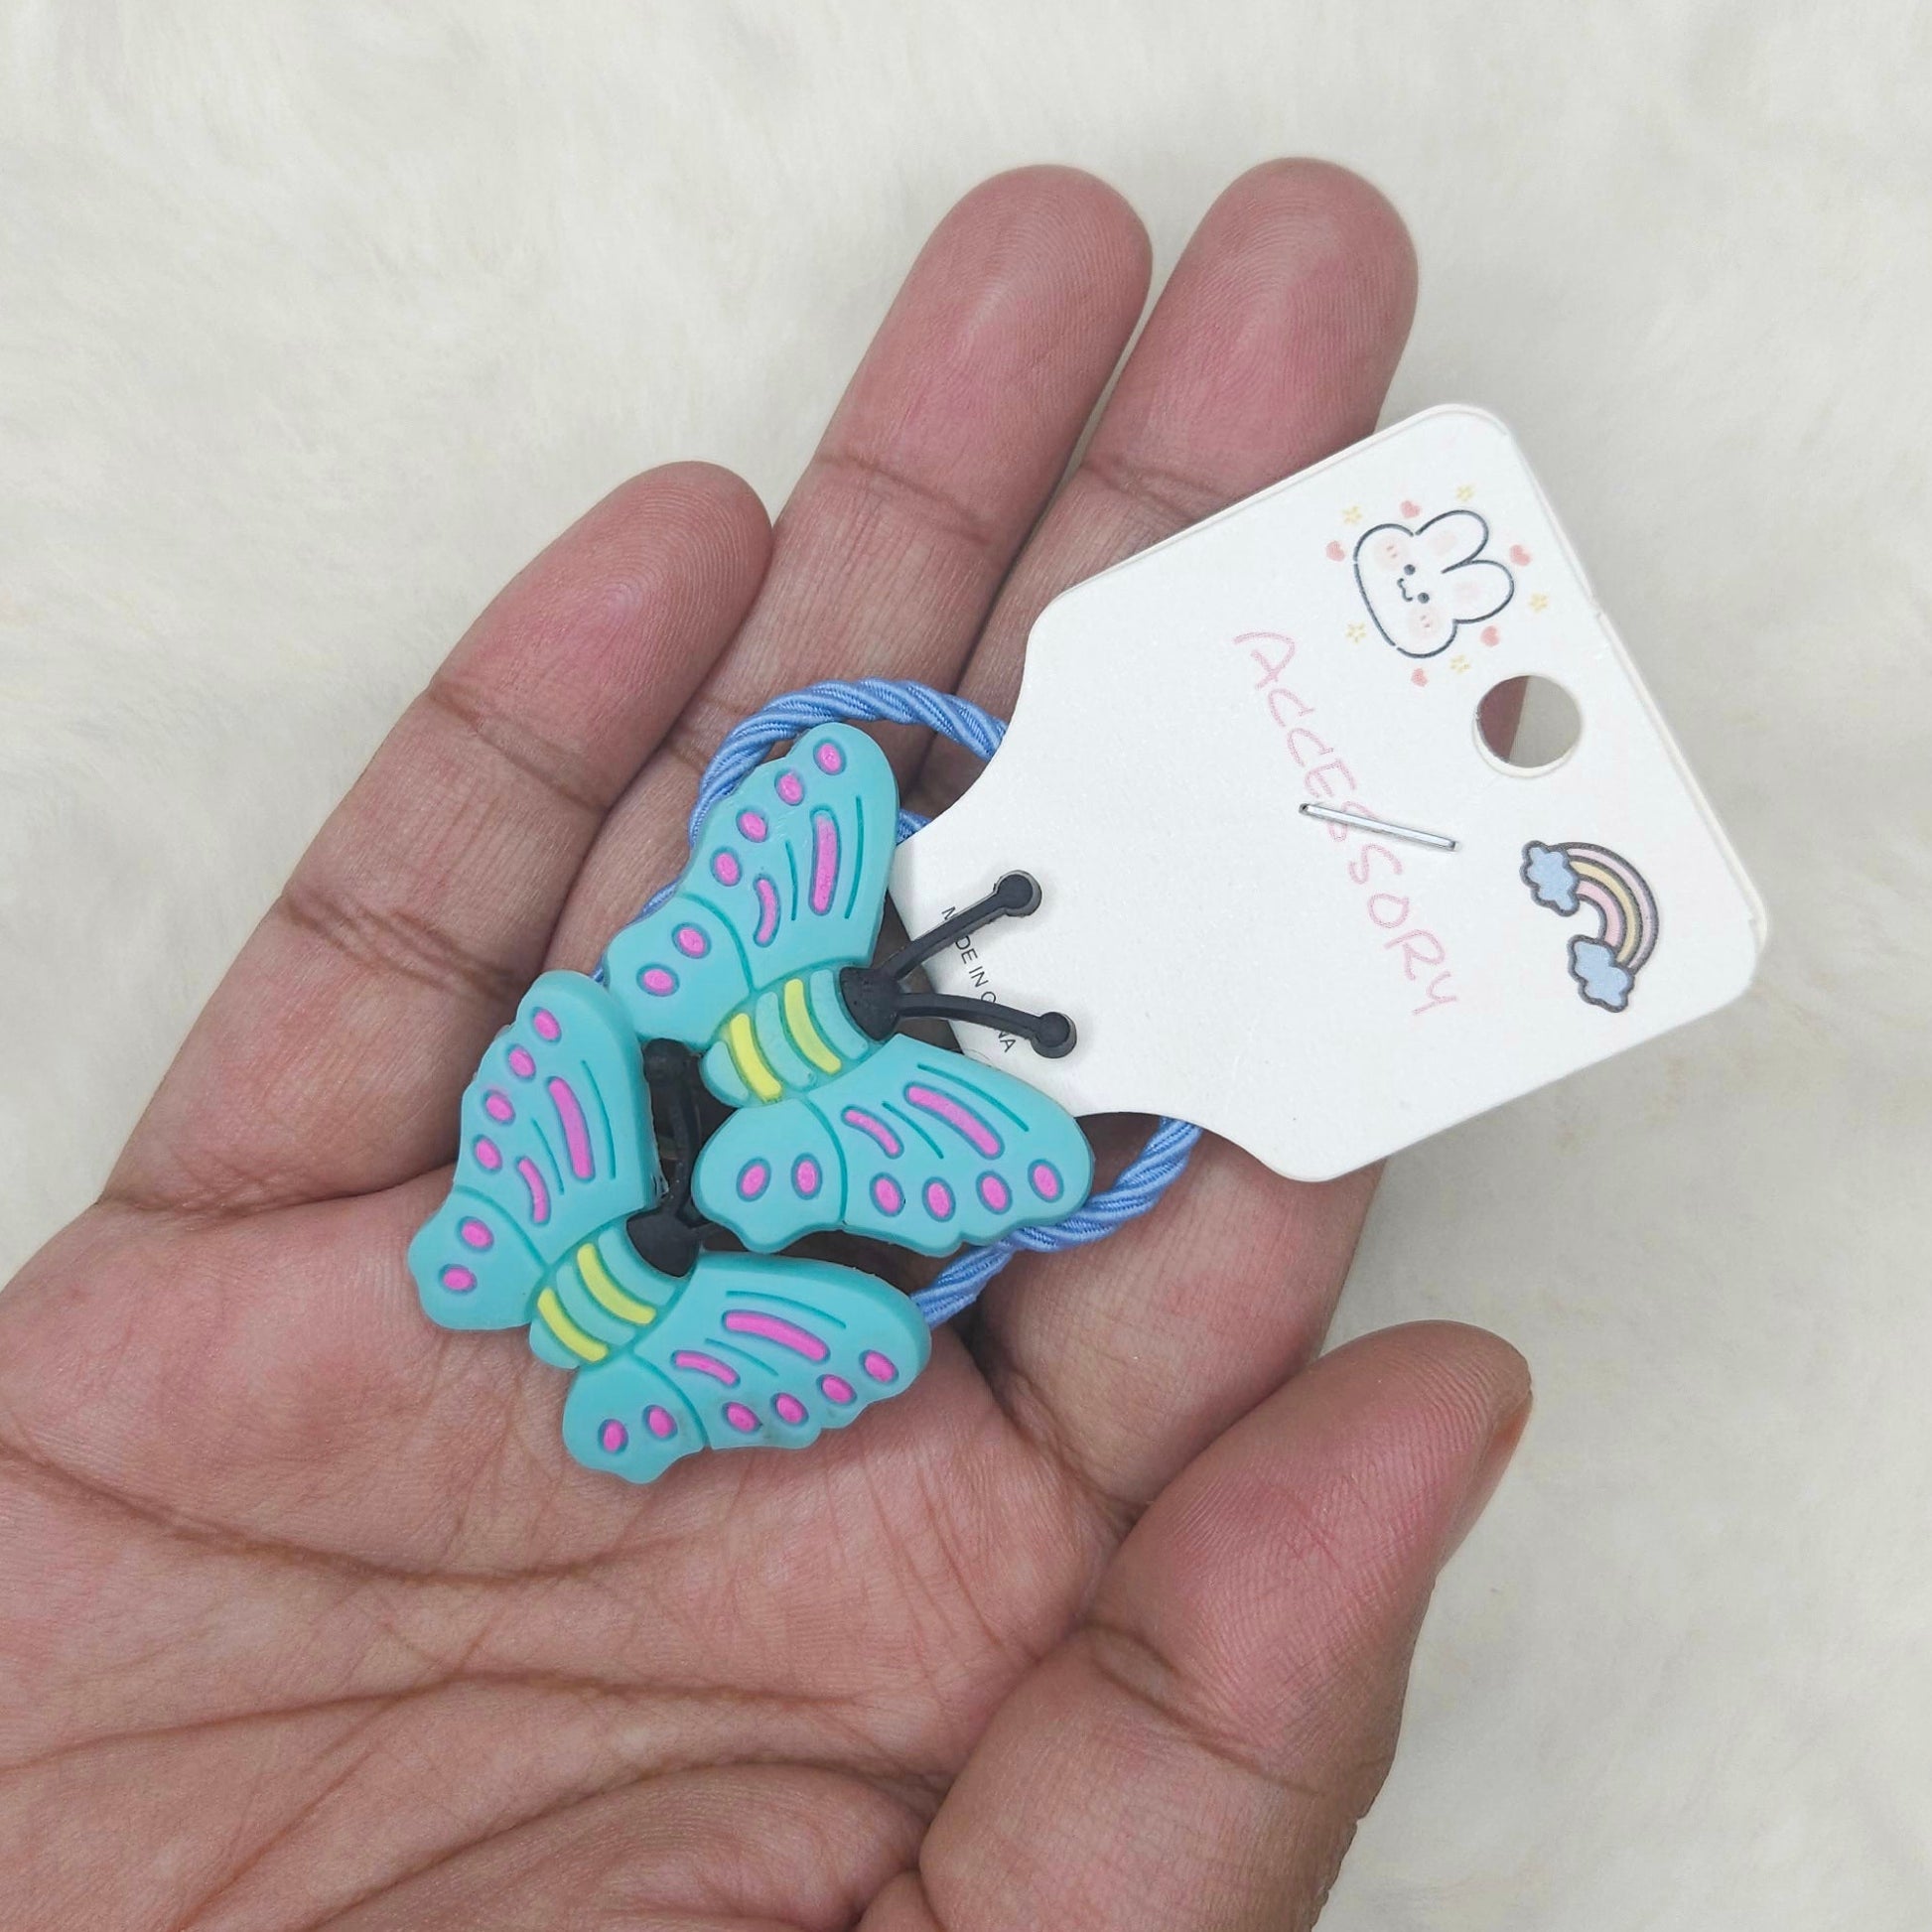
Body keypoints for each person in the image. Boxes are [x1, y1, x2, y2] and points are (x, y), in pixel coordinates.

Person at [0, 161, 1529, 1930]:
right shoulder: (798, 1152)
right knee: (769, 1150)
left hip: (680, 1188)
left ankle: (564, 1235)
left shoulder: (753, 1074)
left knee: (749, 1134)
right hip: (690, 1243)